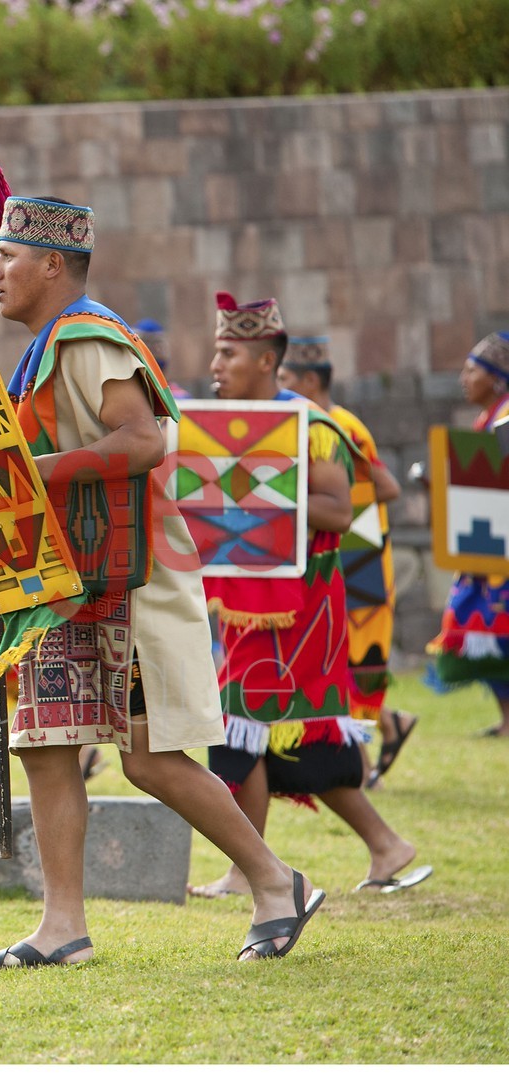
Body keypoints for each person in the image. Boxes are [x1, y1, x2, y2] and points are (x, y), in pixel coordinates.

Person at [0, 197, 322, 966]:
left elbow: (143, 439)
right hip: (60, 578)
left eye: (7, 255)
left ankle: (277, 882)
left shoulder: (87, 338)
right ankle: (62, 926)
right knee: (46, 741)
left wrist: (34, 472)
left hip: (123, 575)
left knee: (146, 752)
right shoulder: (44, 351)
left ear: (52, 264)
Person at [195, 291, 430, 899]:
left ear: (266, 360)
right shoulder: (220, 428)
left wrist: (255, 494)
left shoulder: (312, 425)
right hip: (242, 602)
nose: (215, 365)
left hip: (299, 607)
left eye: (228, 353)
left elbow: (338, 509)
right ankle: (383, 845)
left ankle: (252, 871)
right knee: (272, 732)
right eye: (216, 352)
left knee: (244, 724)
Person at [276, 336, 416, 787]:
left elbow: (388, 487)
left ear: (309, 381)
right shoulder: (304, 420)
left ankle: (369, 755)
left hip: (356, 556)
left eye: (285, 377)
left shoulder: (341, 426)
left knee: (353, 659)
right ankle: (388, 730)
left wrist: (337, 507)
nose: (279, 385)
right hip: (336, 551)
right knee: (334, 658)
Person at [427, 331, 509, 738]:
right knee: (481, 626)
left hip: (500, 550)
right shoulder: (487, 419)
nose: (463, 379)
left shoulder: (506, 417)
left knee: (493, 627)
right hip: (487, 549)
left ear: (496, 378)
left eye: (472, 370)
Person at [132, 319, 190, 399]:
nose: (153, 349)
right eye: (147, 344)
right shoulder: (179, 396)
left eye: (157, 344)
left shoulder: (180, 396)